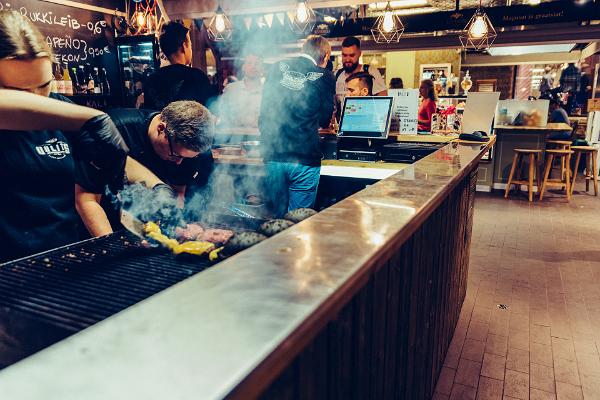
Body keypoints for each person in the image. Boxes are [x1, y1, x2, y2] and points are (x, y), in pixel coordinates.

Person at [0, 10, 132, 262]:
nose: (38, 100)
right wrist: (91, 118)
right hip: (9, 271)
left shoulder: (62, 109)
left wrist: (151, 183)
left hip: (66, 259)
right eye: (19, 91)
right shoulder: (69, 116)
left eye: (43, 85)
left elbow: (111, 155)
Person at [76, 101, 215, 236]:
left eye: (186, 159)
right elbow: (87, 200)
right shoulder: (111, 131)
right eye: (175, 155)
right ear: (161, 129)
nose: (179, 162)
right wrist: (109, 246)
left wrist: (176, 228)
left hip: (143, 227)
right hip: (102, 220)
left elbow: (178, 193)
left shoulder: (188, 149)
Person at [259, 35, 335, 216]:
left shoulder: (277, 67)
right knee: (298, 223)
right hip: (304, 159)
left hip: (273, 157)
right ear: (324, 55)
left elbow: (264, 111)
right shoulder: (325, 76)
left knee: (276, 218)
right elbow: (325, 119)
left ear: (304, 50)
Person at [143, 21, 214, 110]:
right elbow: (211, 111)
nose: (190, 49)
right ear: (184, 46)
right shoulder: (197, 76)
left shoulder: (151, 80)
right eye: (190, 45)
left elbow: (149, 116)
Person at [218, 53, 264, 130]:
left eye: (257, 63)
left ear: (262, 68)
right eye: (249, 63)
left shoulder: (266, 91)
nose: (253, 66)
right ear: (243, 67)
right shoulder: (231, 89)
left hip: (259, 137)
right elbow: (222, 114)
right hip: (232, 138)